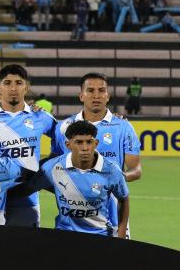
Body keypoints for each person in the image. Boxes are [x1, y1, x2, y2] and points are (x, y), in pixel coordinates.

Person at [52, 72, 141, 237]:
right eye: (90, 90)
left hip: (113, 215)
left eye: (101, 91)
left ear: (108, 96)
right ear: (81, 95)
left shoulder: (123, 127)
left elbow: (136, 170)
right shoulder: (63, 127)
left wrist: (114, 179)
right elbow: (55, 166)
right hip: (73, 217)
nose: (96, 96)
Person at [10, 120, 129, 238]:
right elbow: (28, 188)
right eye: (79, 142)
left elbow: (123, 199)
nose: (85, 148)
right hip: (65, 235)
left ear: (96, 143)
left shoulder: (111, 170)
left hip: (99, 234)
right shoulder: (53, 167)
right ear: (68, 145)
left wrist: (121, 236)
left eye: (89, 142)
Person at [0, 64, 57, 227]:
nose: (13, 88)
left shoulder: (40, 116)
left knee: (24, 251)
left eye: (18, 82)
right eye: (7, 83)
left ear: (26, 87)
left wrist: (46, 172)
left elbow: (63, 143)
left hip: (27, 200)